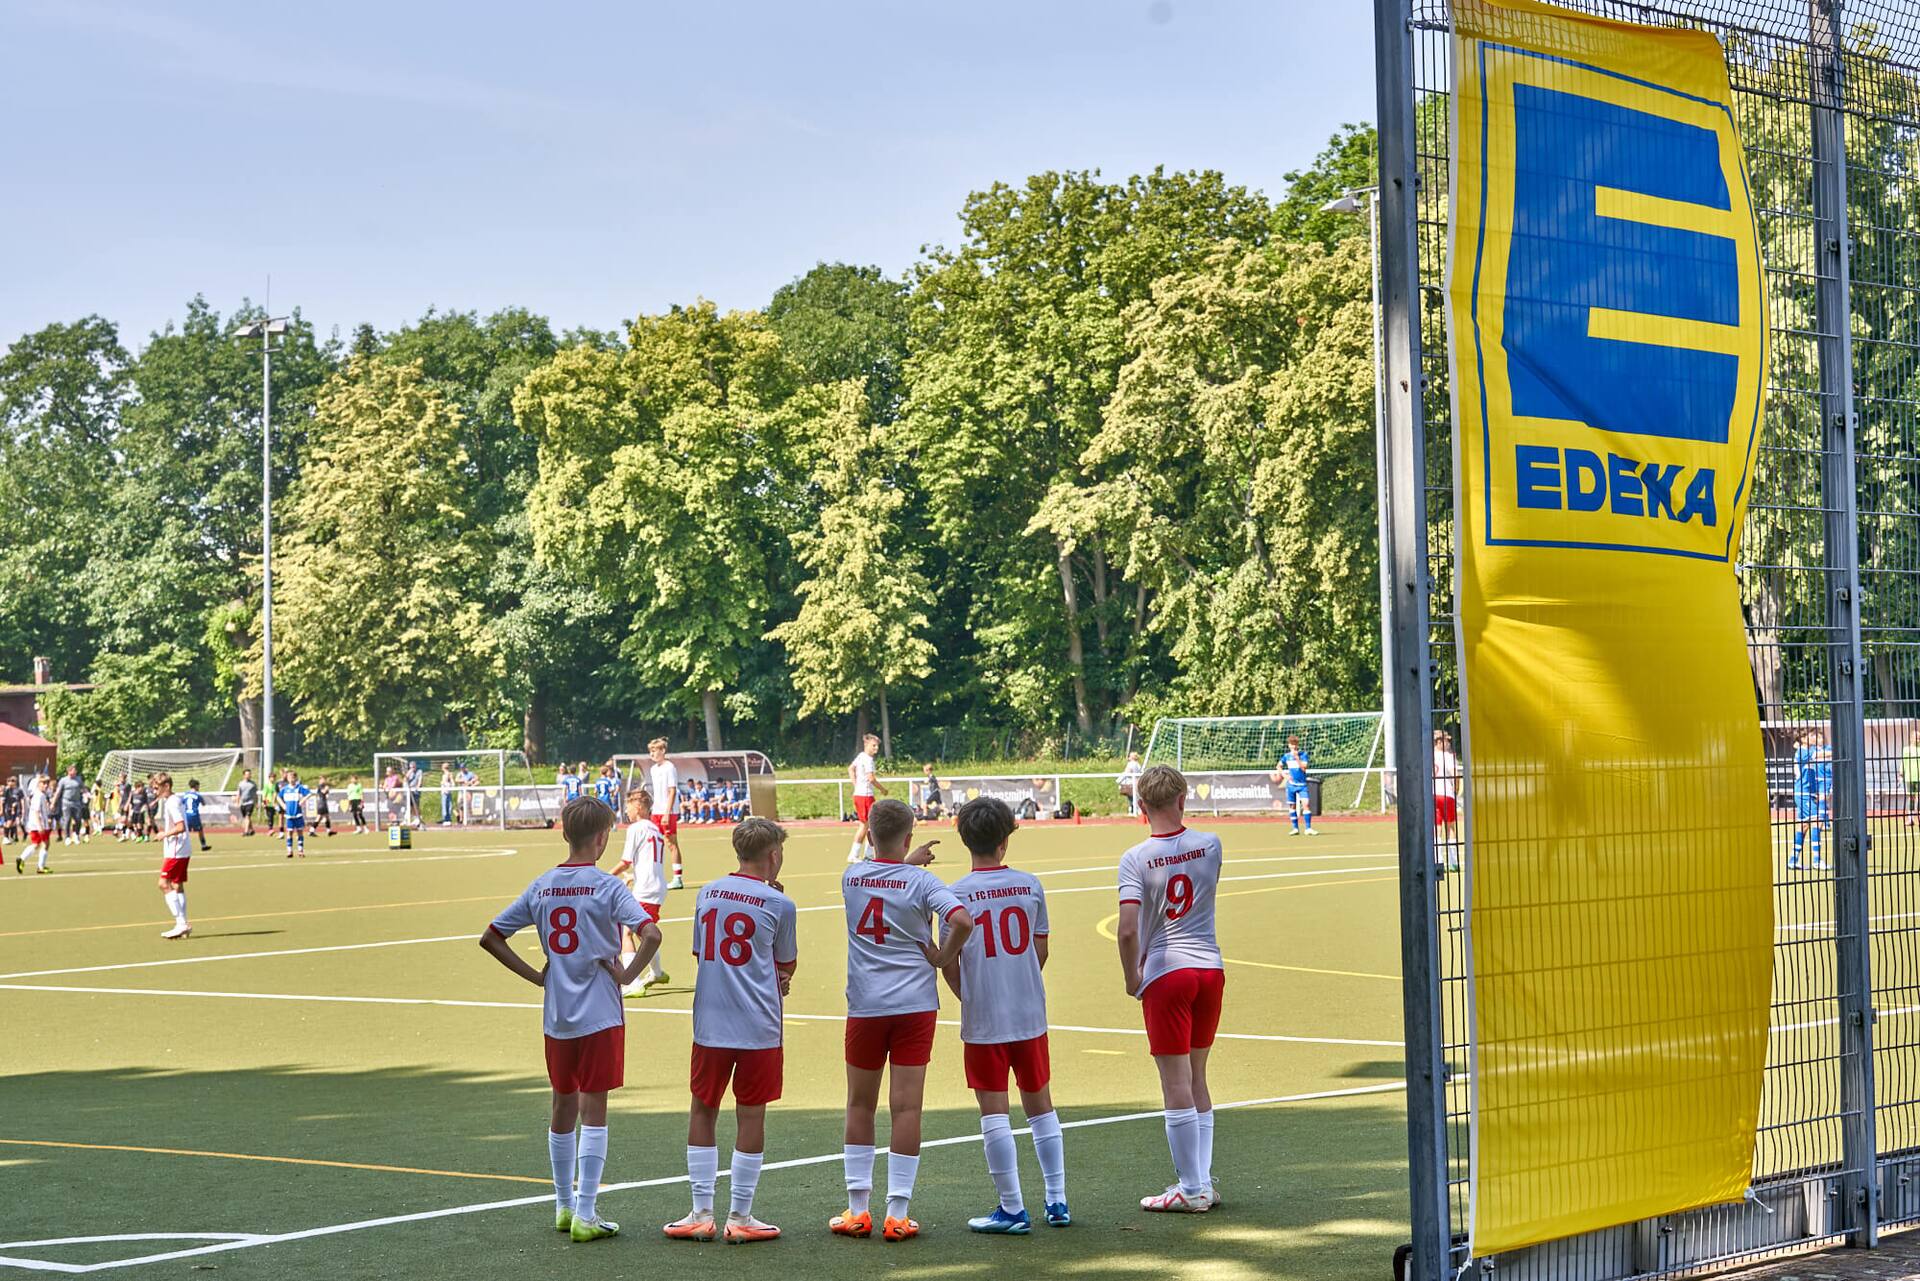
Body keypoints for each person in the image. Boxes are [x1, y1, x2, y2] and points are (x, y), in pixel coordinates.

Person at [479, 797, 663, 1244]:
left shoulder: (542, 886)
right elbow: (652, 933)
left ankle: (562, 1206)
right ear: (602, 838)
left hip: (557, 1014)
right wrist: (627, 973)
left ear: (565, 834)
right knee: (593, 1109)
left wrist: (537, 976)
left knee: (562, 1103)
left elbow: (491, 937)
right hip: (600, 1012)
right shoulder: (607, 887)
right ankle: (586, 1212)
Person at [832, 798, 973, 1242]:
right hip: (914, 1007)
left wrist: (902, 859)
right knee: (907, 1107)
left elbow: (883, 871)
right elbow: (962, 920)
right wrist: (941, 956)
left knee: (859, 1104)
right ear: (909, 837)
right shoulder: (923, 882)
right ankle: (897, 1213)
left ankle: (857, 1210)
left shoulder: (851, 876)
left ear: (869, 835)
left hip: (866, 1007)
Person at [664, 816, 798, 1245]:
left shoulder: (707, 893)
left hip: (710, 1021)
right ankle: (740, 1215)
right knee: (751, 1113)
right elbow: (786, 965)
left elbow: (699, 951)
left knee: (703, 1108)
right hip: (758, 1024)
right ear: (773, 855)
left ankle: (700, 1212)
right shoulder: (780, 904)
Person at [944, 796, 1069, 1233]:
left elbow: (949, 961)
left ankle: (1013, 1208)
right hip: (1029, 1012)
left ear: (964, 839)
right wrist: (1022, 981)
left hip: (985, 1020)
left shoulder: (955, 894)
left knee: (993, 1111)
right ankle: (1057, 1200)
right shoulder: (1030, 885)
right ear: (1005, 841)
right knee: (1041, 1105)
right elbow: (1042, 948)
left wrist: (970, 994)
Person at [1116, 764, 1223, 1214]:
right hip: (1210, 969)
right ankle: (1202, 1181)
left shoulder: (1135, 857)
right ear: (1183, 800)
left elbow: (1126, 930)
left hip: (1167, 971)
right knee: (1198, 1077)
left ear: (1141, 807)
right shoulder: (1211, 844)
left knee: (1173, 1082)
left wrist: (1131, 978)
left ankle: (1190, 1188)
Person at [610, 788, 670, 994]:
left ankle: (632, 983)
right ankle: (657, 973)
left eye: (628, 805)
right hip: (656, 886)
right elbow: (647, 860)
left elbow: (626, 861)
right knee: (645, 931)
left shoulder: (636, 828)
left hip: (646, 889)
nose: (626, 810)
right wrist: (634, 877)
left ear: (638, 807)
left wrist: (606, 878)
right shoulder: (655, 829)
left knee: (626, 932)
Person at [155, 773, 193, 940]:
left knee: (163, 884)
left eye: (157, 787)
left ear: (167, 786)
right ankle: (183, 924)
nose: (154, 791)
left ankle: (181, 923)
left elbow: (180, 826)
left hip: (176, 850)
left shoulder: (172, 803)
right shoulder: (174, 800)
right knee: (177, 885)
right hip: (182, 848)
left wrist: (164, 834)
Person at [647, 739, 685, 891]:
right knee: (653, 843)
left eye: (655, 750)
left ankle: (677, 878)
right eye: (650, 751)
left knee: (671, 843)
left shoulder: (670, 768)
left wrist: (667, 813)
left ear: (663, 751)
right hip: (656, 811)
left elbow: (672, 791)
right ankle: (654, 878)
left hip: (667, 812)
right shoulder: (653, 769)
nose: (652, 754)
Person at [1793, 730, 1831, 871]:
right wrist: (1839, 751)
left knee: (1804, 826)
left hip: (1806, 793)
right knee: (1817, 821)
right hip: (1803, 793)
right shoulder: (1804, 752)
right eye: (1811, 735)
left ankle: (1793, 859)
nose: (1815, 738)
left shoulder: (1806, 750)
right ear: (1803, 739)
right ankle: (1816, 860)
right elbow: (1821, 755)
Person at [847, 733, 884, 864]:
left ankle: (869, 854)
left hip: (861, 794)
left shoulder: (860, 757)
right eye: (874, 745)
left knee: (872, 825)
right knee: (865, 825)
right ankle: (854, 854)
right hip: (865, 796)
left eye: (877, 746)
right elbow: (871, 778)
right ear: (866, 745)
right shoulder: (867, 759)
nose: (876, 748)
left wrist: (855, 784)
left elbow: (850, 769)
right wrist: (882, 789)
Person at [1272, 735, 1315, 837]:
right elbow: (1278, 766)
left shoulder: (1303, 755)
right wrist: (1283, 774)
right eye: (1292, 745)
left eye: (1295, 744)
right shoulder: (1286, 756)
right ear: (1289, 745)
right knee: (1292, 806)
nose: (1293, 747)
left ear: (1297, 745)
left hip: (1302, 785)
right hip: (1291, 785)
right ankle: (1295, 828)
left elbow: (1304, 768)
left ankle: (1308, 828)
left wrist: (1297, 759)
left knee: (1306, 804)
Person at [1432, 730, 1461, 870]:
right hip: (1446, 793)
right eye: (1446, 740)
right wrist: (1456, 788)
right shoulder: (1448, 756)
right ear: (1439, 742)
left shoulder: (1429, 755)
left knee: (1437, 827)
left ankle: (1438, 860)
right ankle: (1454, 861)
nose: (1448, 743)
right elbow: (1455, 774)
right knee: (1450, 827)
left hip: (1433, 794)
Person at [18, 774, 52, 873]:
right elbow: (36, 811)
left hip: (35, 824)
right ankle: (40, 867)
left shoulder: (40, 794)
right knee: (44, 844)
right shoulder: (39, 795)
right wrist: (40, 826)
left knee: (37, 844)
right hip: (38, 824)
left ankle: (22, 859)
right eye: (43, 783)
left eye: (47, 783)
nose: (46, 785)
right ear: (38, 784)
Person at [280, 771, 313, 859]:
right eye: (289, 777)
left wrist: (303, 800)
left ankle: (300, 850)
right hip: (289, 815)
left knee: (299, 832)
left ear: (295, 778)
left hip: (298, 814)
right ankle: (289, 851)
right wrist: (283, 805)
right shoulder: (285, 789)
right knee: (289, 832)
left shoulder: (299, 788)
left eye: (292, 777)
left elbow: (309, 793)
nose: (290, 779)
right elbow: (278, 797)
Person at [54, 765, 85, 846]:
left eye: (75, 771)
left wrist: (87, 794)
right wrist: (53, 802)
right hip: (66, 802)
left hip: (77, 803)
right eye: (73, 771)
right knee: (67, 820)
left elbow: (83, 788)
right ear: (69, 771)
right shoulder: (63, 780)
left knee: (78, 819)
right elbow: (58, 792)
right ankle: (67, 837)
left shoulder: (78, 779)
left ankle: (76, 835)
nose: (75, 772)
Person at [180, 778, 211, 853]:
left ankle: (181, 846)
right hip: (194, 815)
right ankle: (203, 845)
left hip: (186, 815)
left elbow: (181, 804)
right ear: (196, 786)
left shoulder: (185, 795)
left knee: (184, 831)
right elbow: (203, 804)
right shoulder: (197, 795)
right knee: (200, 830)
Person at [1117, 751, 1144, 818]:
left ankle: (1133, 811)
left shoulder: (1131, 764)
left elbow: (1127, 772)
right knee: (1136, 797)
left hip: (1131, 783)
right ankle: (1137, 811)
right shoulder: (1138, 764)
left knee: (1132, 798)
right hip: (1137, 782)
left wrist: (1119, 780)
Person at [234, 769, 258, 838]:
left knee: (248, 816)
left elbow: (255, 795)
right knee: (246, 818)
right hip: (242, 803)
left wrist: (256, 803)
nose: (249, 775)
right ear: (244, 775)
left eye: (249, 774)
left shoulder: (253, 784)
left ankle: (246, 831)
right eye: (247, 774)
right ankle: (252, 830)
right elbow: (238, 793)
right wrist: (237, 802)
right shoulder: (240, 783)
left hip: (250, 803)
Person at [1904, 728, 1920, 829]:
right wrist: (1901, 773)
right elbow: (1904, 762)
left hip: (1919, 777)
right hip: (1909, 777)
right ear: (1912, 739)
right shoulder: (1906, 749)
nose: (1918, 739)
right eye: (1917, 737)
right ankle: (1910, 819)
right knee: (1911, 798)